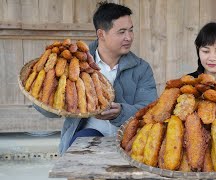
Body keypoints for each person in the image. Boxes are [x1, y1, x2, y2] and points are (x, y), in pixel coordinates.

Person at [34, 2, 157, 155]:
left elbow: (150, 110)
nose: (129, 37)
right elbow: (48, 109)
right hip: (86, 139)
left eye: (131, 30)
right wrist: (46, 97)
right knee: (84, 143)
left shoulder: (141, 68)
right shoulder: (75, 64)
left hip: (129, 141)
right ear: (101, 34)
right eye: (122, 32)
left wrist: (121, 112)